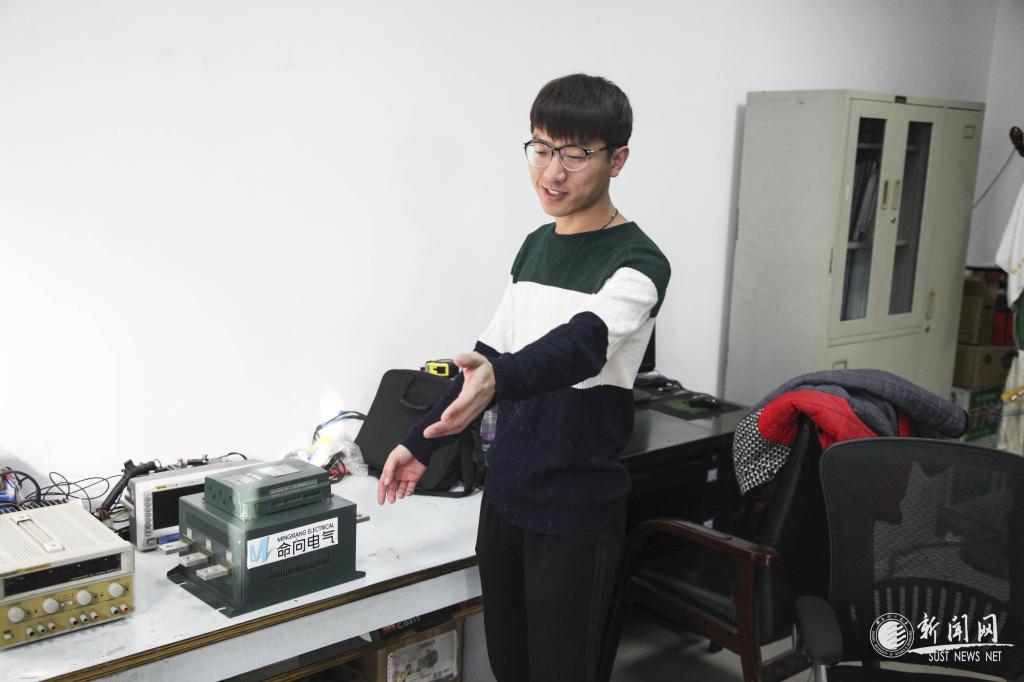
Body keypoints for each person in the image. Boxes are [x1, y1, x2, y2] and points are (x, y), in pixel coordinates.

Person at [376, 73, 671, 682]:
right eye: (541, 148)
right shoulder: (535, 246)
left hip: (575, 517)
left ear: (617, 160)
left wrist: (501, 378)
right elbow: (486, 359)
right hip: (505, 503)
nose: (552, 173)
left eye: (575, 154)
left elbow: (582, 344)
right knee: (509, 667)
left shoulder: (640, 263)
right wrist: (419, 440)